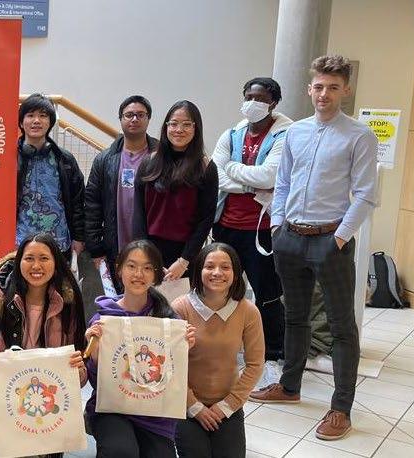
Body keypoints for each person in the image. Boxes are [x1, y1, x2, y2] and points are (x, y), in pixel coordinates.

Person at [249, 55, 378, 441]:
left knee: (341, 327)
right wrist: (277, 225)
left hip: (329, 240)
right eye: (319, 87)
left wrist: (339, 237)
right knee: (295, 317)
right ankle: (290, 387)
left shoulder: (359, 136)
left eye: (333, 87)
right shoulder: (296, 133)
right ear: (309, 89)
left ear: (345, 90)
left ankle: (341, 408)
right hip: (290, 237)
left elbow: (366, 194)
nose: (324, 94)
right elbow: (284, 183)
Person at [0, 233, 88, 458]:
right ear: (19, 261)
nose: (36, 266)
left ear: (56, 263)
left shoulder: (68, 307)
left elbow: (79, 375)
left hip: (47, 406)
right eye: (29, 258)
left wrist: (77, 371)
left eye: (44, 258)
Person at [84, 240, 197, 457]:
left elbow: (174, 376)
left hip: (155, 411)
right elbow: (98, 384)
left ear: (156, 274)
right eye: (131, 266)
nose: (138, 274)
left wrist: (185, 348)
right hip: (113, 408)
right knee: (121, 451)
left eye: (147, 268)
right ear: (119, 269)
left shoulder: (169, 320)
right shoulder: (104, 319)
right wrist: (96, 355)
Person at [211, 77, 292, 364]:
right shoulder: (232, 134)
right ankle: (221, 345)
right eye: (249, 97)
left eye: (260, 98)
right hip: (226, 227)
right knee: (220, 291)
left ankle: (273, 353)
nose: (253, 103)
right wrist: (249, 184)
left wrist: (232, 169)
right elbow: (215, 175)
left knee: (267, 293)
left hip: (262, 230)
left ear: (273, 103)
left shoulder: (285, 134)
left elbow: (269, 176)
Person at [172, 243, 264, 458]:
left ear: (235, 273)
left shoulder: (248, 311)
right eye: (209, 266)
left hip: (227, 404)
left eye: (225, 267)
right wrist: (194, 406)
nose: (217, 273)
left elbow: (255, 364)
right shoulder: (180, 307)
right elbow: (169, 365)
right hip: (184, 403)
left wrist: (227, 406)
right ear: (198, 271)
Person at [133, 100, 217, 281]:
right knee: (145, 299)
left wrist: (184, 260)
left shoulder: (206, 167)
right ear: (166, 127)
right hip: (148, 251)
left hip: (184, 255)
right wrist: (144, 253)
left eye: (186, 124)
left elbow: (206, 219)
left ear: (196, 128)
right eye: (173, 124)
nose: (179, 129)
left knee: (179, 300)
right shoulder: (149, 162)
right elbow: (138, 212)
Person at [85, 95, 159, 285]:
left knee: (152, 297)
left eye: (140, 115)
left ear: (148, 119)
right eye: (129, 115)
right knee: (120, 297)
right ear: (121, 119)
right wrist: (96, 248)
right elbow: (92, 205)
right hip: (115, 246)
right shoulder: (104, 159)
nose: (134, 119)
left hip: (154, 245)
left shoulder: (162, 157)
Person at [16, 94, 85, 260]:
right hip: (19, 242)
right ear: (21, 122)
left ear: (50, 122)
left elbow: (78, 200)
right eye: (30, 115)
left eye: (43, 116)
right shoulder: (8, 159)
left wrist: (79, 237)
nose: (36, 121)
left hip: (58, 242)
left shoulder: (64, 159)